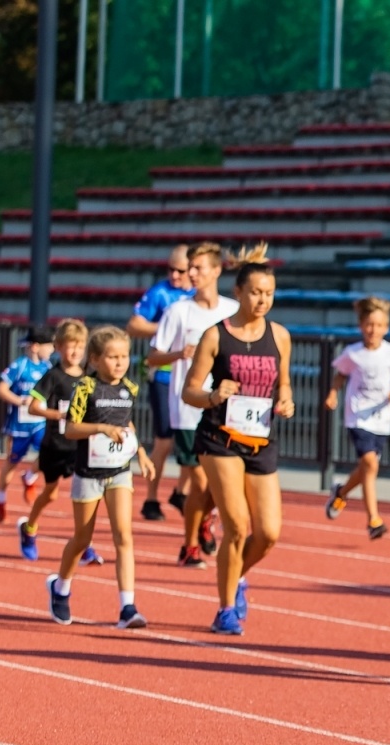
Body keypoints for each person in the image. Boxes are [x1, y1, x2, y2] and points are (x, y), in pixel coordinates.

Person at [182, 244, 293, 637]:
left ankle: (237, 576)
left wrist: (286, 401)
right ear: (239, 293)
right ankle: (225, 608)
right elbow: (189, 391)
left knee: (268, 533)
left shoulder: (279, 336)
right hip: (219, 439)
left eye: (269, 293)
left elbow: (284, 387)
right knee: (237, 525)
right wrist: (213, 395)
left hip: (261, 441)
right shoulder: (216, 335)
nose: (263, 300)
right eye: (256, 292)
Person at [46, 326, 155, 629]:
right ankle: (61, 588)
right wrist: (99, 429)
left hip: (119, 471)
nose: (120, 363)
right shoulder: (85, 388)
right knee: (82, 539)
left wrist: (141, 453)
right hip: (89, 474)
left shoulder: (129, 388)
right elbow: (69, 429)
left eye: (124, 356)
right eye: (112, 357)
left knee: (124, 536)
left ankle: (127, 607)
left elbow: (126, 424)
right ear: (94, 359)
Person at [148, 242, 236, 568]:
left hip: (225, 410)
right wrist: (178, 354)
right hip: (188, 410)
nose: (191, 274)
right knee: (200, 479)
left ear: (216, 271)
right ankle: (191, 542)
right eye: (189, 268)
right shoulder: (178, 312)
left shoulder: (230, 311)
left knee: (219, 482)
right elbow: (152, 357)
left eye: (198, 268)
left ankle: (199, 523)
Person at [324, 296, 390, 539]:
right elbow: (340, 375)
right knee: (371, 464)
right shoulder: (352, 353)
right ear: (361, 325)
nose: (373, 330)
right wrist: (333, 393)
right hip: (358, 417)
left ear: (386, 327)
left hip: (382, 420)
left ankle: (341, 492)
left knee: (367, 467)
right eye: (369, 325)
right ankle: (374, 519)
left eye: (379, 325)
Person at [18, 319, 103, 566]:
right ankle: (30, 528)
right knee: (51, 494)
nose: (75, 352)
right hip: (56, 443)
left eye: (79, 346)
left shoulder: (90, 376)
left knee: (86, 496)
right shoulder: (52, 376)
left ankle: (85, 543)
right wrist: (59, 415)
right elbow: (33, 408)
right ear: (57, 347)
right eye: (69, 346)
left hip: (82, 446)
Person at [128, 244, 195, 522]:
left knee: (193, 442)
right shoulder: (161, 293)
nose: (174, 275)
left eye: (180, 270)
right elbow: (134, 325)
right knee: (164, 441)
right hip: (164, 376)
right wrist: (169, 326)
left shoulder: (200, 296)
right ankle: (151, 498)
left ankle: (181, 491)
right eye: (170, 269)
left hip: (193, 378)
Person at [0, 324, 53, 522]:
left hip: (40, 422)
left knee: (49, 451)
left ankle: (30, 476)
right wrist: (20, 401)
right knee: (12, 461)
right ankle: (0, 496)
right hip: (19, 425)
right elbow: (1, 390)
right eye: (49, 345)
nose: (52, 349)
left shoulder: (48, 368)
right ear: (35, 346)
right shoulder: (20, 366)